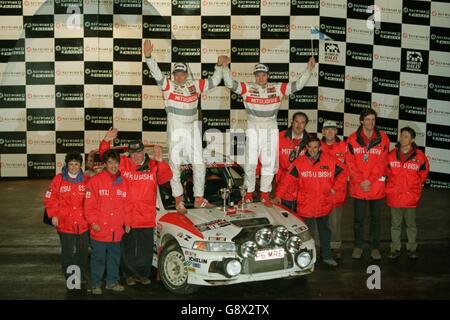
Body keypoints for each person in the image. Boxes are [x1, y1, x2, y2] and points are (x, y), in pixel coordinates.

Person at [143, 39, 227, 213]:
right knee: (175, 165)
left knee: (199, 163)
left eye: (182, 73)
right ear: (173, 75)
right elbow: (156, 73)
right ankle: (179, 200)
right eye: (177, 73)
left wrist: (219, 66)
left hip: (193, 129)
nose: (180, 76)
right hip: (176, 129)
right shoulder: (168, 86)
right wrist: (149, 56)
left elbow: (215, 80)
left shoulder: (195, 86)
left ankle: (198, 198)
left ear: (186, 74)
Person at [223, 57, 316, 206]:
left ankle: (265, 194)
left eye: (264, 74)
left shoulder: (277, 88)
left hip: (271, 127)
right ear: (255, 75)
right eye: (258, 74)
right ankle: (248, 193)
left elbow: (298, 85)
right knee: (250, 163)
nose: (261, 77)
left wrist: (309, 70)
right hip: (253, 126)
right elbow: (229, 83)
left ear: (268, 75)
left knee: (268, 162)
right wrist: (225, 68)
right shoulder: (247, 88)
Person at [99, 128, 172, 286]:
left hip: (146, 216)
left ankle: (143, 274)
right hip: (127, 217)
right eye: (132, 153)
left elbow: (166, 178)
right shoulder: (123, 164)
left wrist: (161, 162)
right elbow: (106, 157)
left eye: (138, 152)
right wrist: (106, 140)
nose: (136, 156)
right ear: (128, 154)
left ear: (143, 151)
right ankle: (129, 275)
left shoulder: (153, 165)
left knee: (145, 249)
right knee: (128, 248)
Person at [276, 137, 346, 267]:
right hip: (305, 204)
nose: (313, 150)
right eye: (310, 147)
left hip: (323, 203)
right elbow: (287, 180)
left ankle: (327, 256)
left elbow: (343, 172)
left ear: (320, 148)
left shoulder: (330, 160)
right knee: (305, 234)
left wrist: (334, 189)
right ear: (306, 148)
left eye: (315, 147)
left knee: (325, 231)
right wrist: (278, 196)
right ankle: (304, 259)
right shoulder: (299, 162)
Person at [346, 108, 390, 260]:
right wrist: (360, 181)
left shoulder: (383, 138)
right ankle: (358, 246)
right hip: (359, 187)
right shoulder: (352, 139)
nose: (371, 123)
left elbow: (382, 162)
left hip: (375, 186)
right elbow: (350, 163)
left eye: (373, 119)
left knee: (376, 219)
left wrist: (369, 180)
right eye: (368, 119)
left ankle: (375, 248)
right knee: (358, 219)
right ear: (361, 121)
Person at [84, 150, 129, 295]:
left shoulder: (124, 182)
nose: (113, 166)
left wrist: (127, 223)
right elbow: (89, 205)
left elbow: (128, 205)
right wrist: (93, 222)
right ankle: (96, 284)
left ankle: (112, 282)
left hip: (116, 230)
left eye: (116, 163)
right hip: (99, 230)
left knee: (114, 259)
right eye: (110, 163)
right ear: (105, 164)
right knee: (98, 259)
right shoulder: (95, 181)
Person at [44, 151, 90, 289]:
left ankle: (80, 276)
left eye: (76, 164)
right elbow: (50, 198)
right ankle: (71, 278)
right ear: (66, 165)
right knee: (68, 252)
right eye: (71, 164)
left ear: (80, 165)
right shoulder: (58, 179)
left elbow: (92, 200)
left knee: (82, 252)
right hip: (65, 223)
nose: (74, 167)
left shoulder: (87, 179)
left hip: (83, 223)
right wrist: (53, 215)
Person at [386, 127, 429, 259]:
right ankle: (395, 248)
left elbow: (423, 174)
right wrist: (392, 187)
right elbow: (386, 173)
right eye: (402, 135)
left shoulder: (420, 156)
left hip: (410, 197)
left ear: (412, 139)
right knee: (395, 225)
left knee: (411, 225)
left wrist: (414, 187)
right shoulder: (391, 154)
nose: (402, 138)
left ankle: (411, 248)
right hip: (395, 196)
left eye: (406, 136)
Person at [320, 120, 348, 259]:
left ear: (336, 131)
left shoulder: (344, 147)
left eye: (333, 129)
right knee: (321, 222)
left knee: (335, 223)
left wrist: (334, 188)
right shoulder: (316, 147)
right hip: (320, 192)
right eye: (327, 129)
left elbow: (347, 170)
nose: (330, 132)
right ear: (323, 132)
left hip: (337, 192)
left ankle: (336, 246)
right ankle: (322, 246)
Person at [274, 112, 311, 211]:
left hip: (303, 189)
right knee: (285, 220)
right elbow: (268, 158)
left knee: (302, 222)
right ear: (291, 121)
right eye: (296, 121)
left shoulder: (311, 141)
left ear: (306, 124)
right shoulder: (279, 137)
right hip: (283, 187)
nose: (299, 125)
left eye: (302, 122)